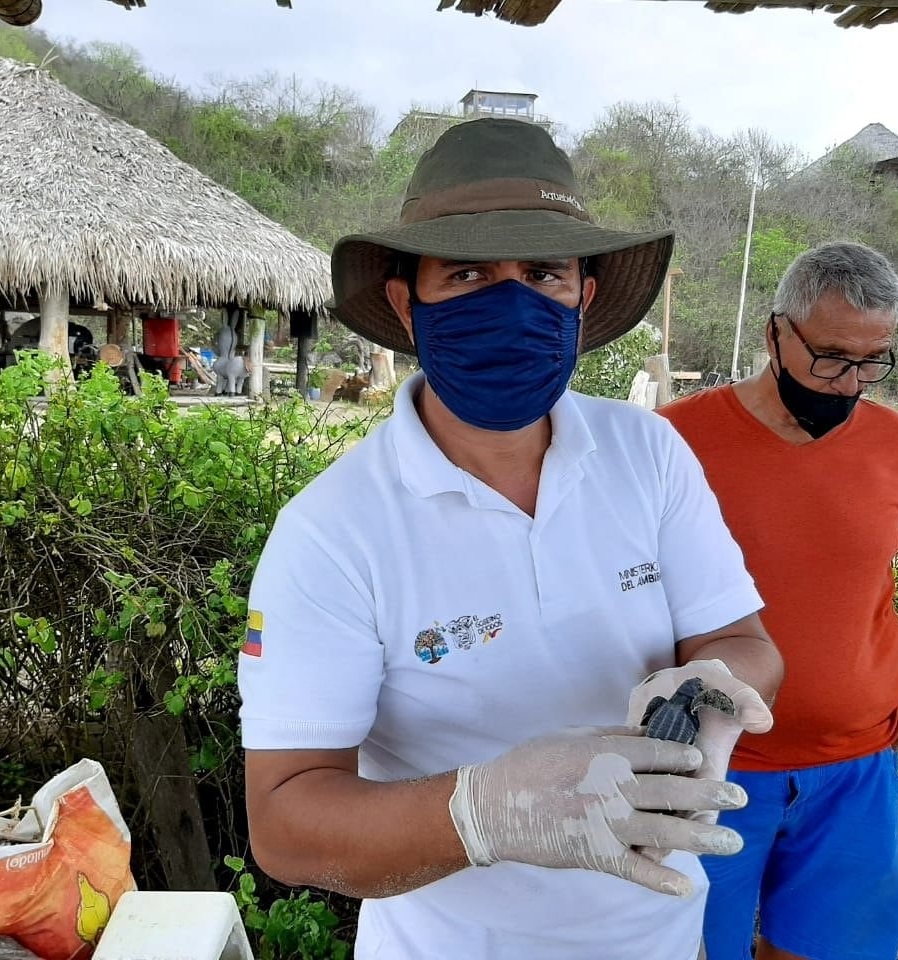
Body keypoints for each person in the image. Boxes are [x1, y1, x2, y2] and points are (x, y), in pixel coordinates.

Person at [238, 117, 784, 960]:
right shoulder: (332, 532)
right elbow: (285, 825)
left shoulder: (648, 453)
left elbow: (741, 641)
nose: (512, 300)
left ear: (583, 298)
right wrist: (484, 810)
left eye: (543, 273)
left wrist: (713, 688)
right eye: (467, 272)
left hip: (661, 936)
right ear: (403, 302)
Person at [659, 241, 898, 960]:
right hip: (707, 768)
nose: (850, 382)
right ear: (775, 334)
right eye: (830, 356)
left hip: (855, 772)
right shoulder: (673, 439)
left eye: (872, 360)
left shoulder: (894, 441)